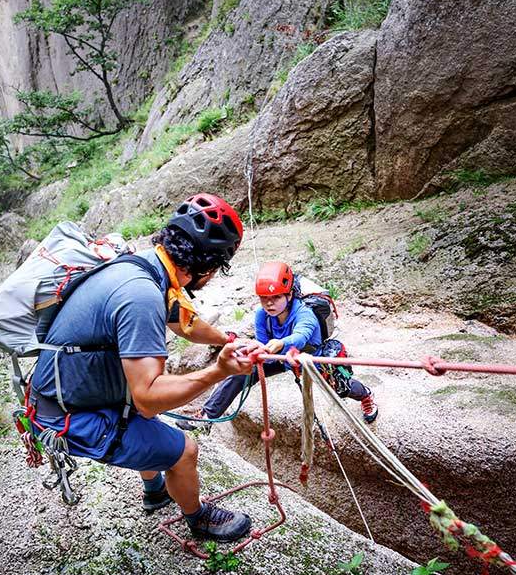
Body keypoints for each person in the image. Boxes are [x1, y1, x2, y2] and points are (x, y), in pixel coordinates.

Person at [29, 193, 264, 543]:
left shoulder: (141, 265)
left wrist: (227, 339)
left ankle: (155, 491)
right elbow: (149, 399)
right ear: (209, 267)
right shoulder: (142, 296)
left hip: (63, 395)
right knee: (184, 450)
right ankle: (198, 519)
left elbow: (183, 321)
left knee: (145, 419)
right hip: (69, 418)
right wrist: (219, 371)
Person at [179, 260, 378, 427]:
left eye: (276, 297)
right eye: (264, 298)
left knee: (341, 387)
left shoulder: (305, 314)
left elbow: (300, 337)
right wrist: (255, 351)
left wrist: (279, 343)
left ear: (289, 295)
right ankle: (207, 418)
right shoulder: (262, 315)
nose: (269, 303)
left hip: (311, 359)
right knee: (242, 372)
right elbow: (263, 343)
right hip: (280, 358)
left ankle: (365, 396)